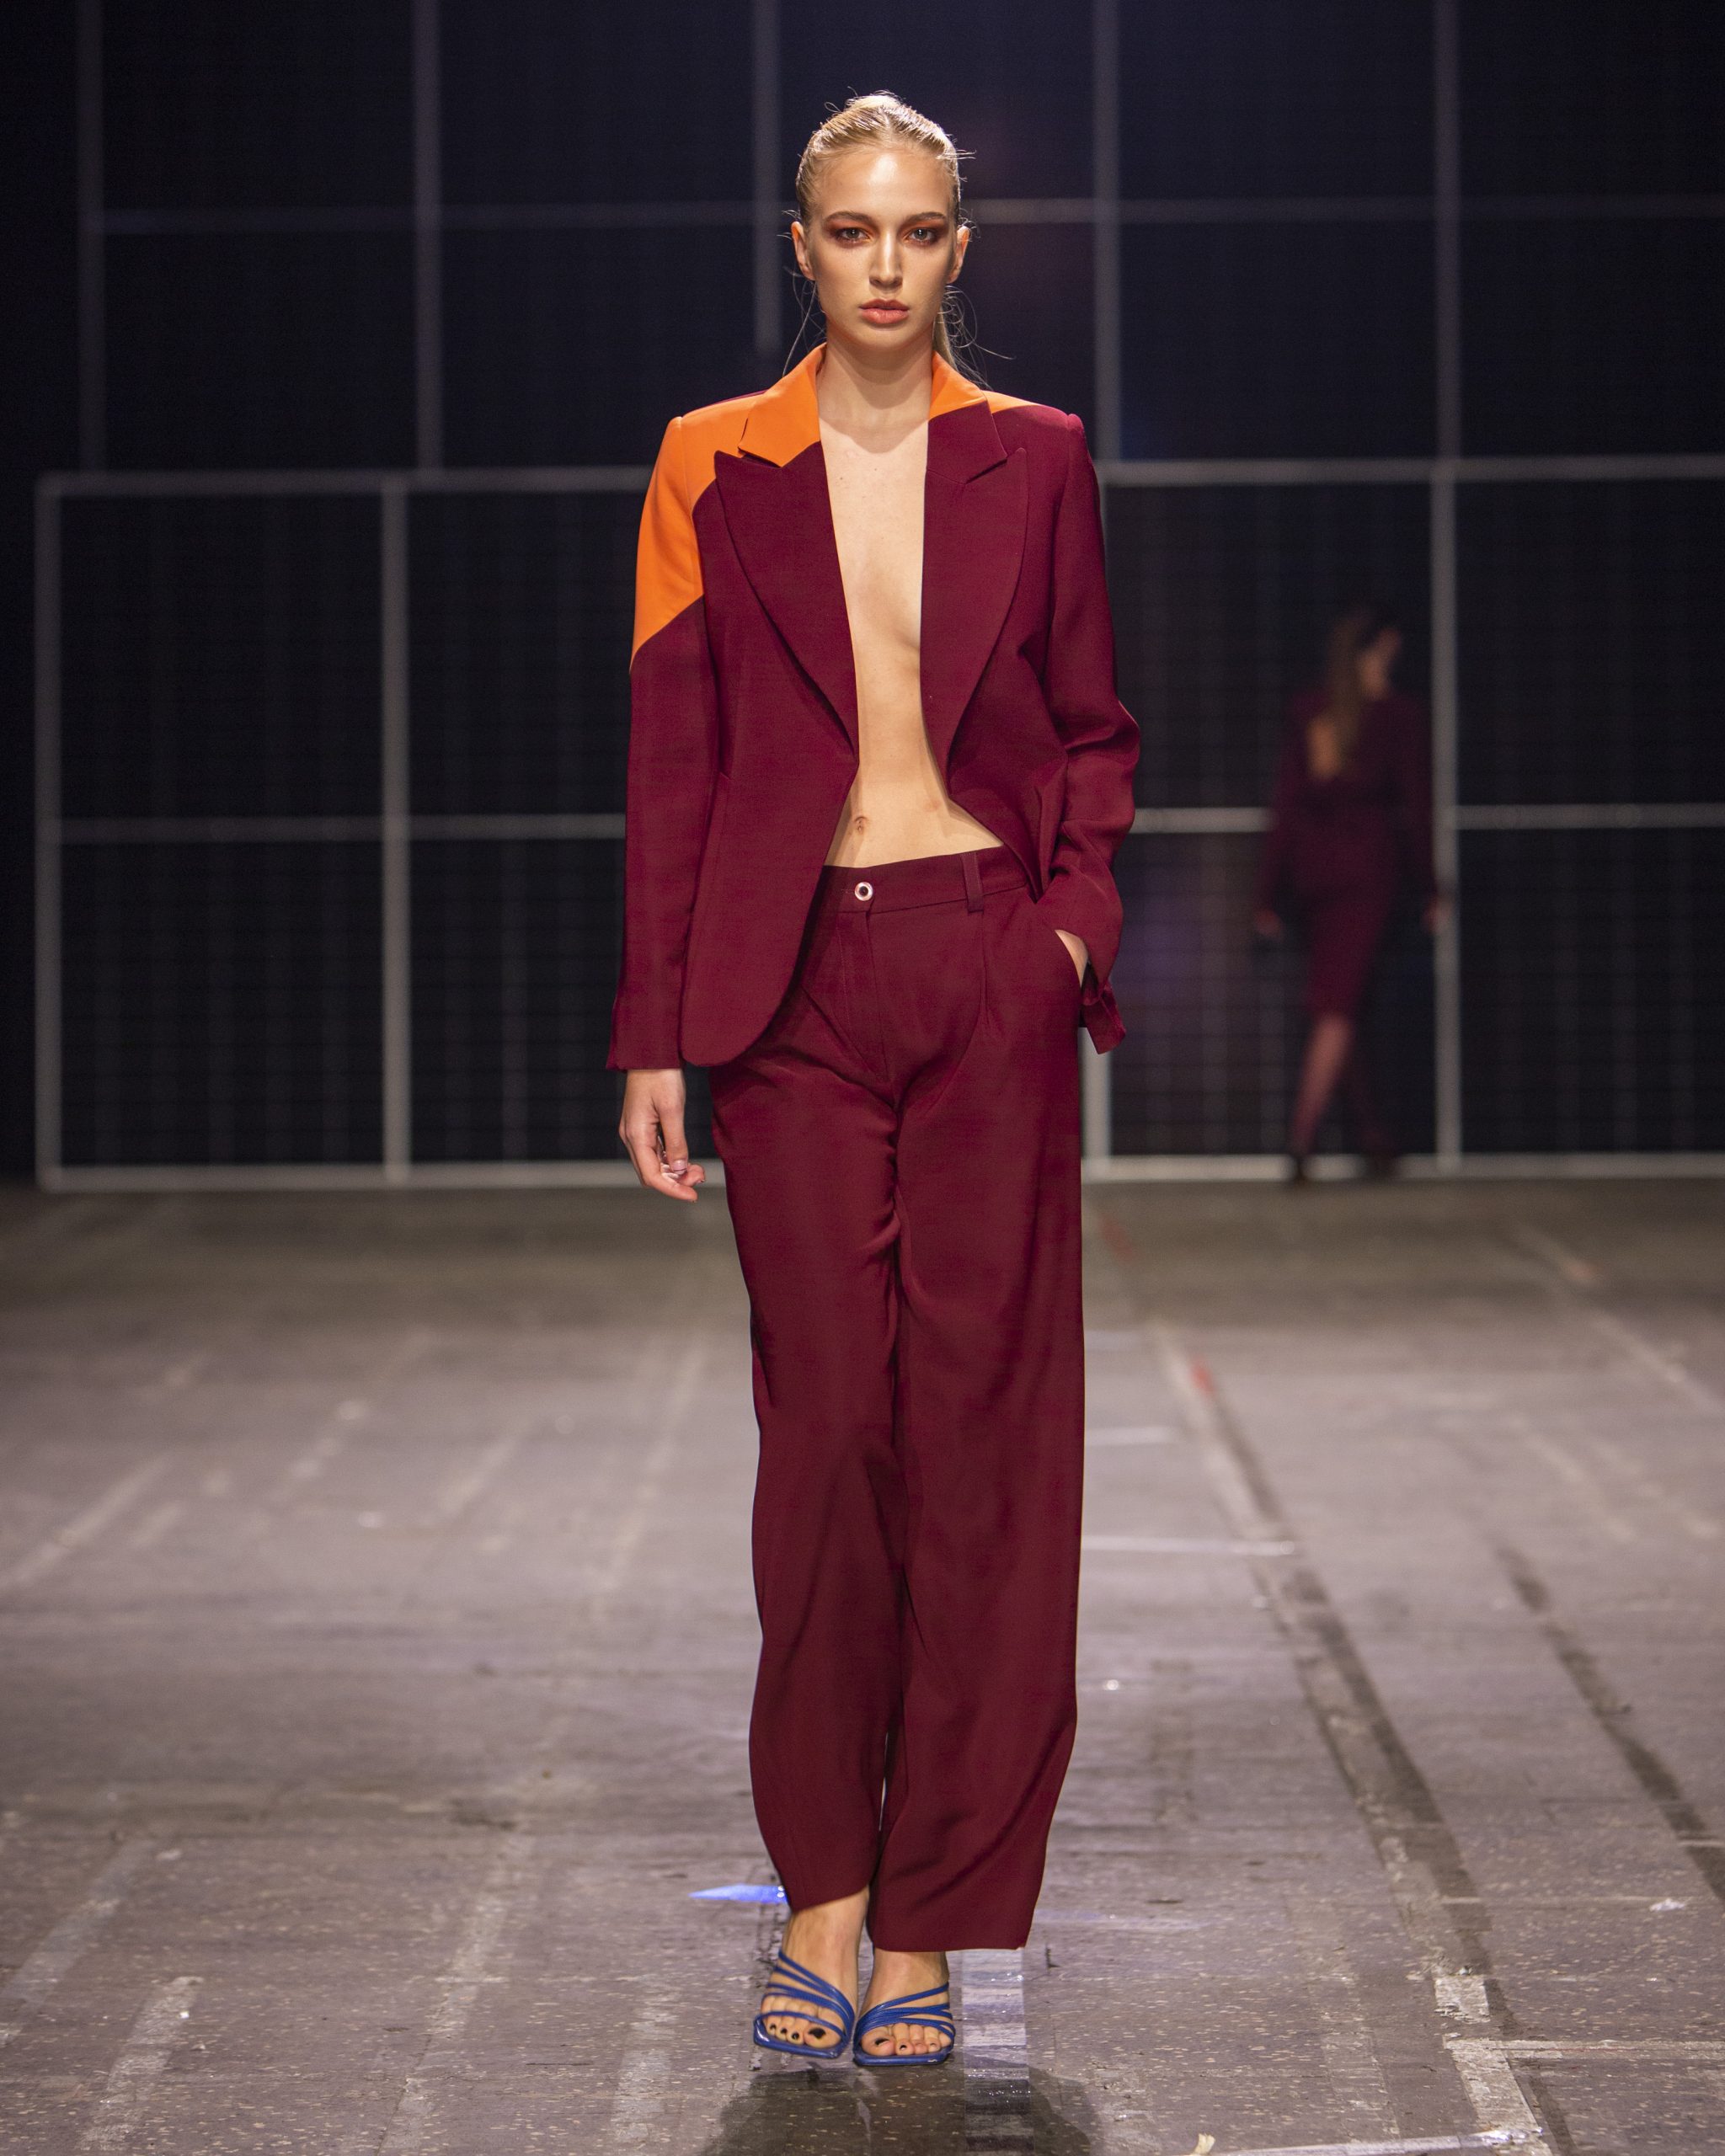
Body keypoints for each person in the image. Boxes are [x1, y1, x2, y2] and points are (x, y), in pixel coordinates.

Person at [609, 93, 1138, 2065]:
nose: (886, 265)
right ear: (800, 246)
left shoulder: (1037, 457)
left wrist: (1063, 933)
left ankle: (929, 1921)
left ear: (959, 250)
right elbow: (673, 758)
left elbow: (1090, 726)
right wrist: (652, 1027)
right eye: (851, 231)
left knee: (986, 1441)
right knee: (827, 1430)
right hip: (792, 990)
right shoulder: (710, 459)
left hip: (982, 960)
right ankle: (822, 1883)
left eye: (918, 231)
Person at [1253, 601, 1445, 1178]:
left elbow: (1288, 805)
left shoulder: (1315, 712)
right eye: (1385, 655)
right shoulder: (1393, 717)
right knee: (1338, 1007)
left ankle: (1371, 1136)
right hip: (1363, 878)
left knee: (1343, 1001)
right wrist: (1431, 885)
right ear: (1368, 654)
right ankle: (1303, 1136)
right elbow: (1415, 805)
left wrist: (1268, 892)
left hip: (1316, 877)